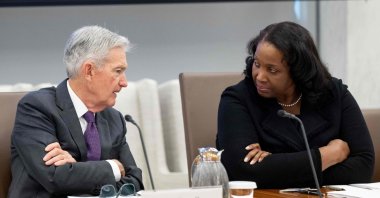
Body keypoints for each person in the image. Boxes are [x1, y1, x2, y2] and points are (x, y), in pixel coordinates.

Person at [216, 21, 375, 189]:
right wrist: (329, 155)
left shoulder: (333, 93)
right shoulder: (237, 99)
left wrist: (276, 167)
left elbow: (364, 167)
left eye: (272, 70)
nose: (260, 76)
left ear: (298, 71)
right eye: (257, 64)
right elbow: (243, 172)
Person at [8, 25, 144, 197]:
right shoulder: (37, 107)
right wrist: (114, 167)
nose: (124, 82)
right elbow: (55, 178)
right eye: (118, 71)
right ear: (89, 71)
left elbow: (135, 183)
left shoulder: (114, 119)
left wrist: (76, 169)